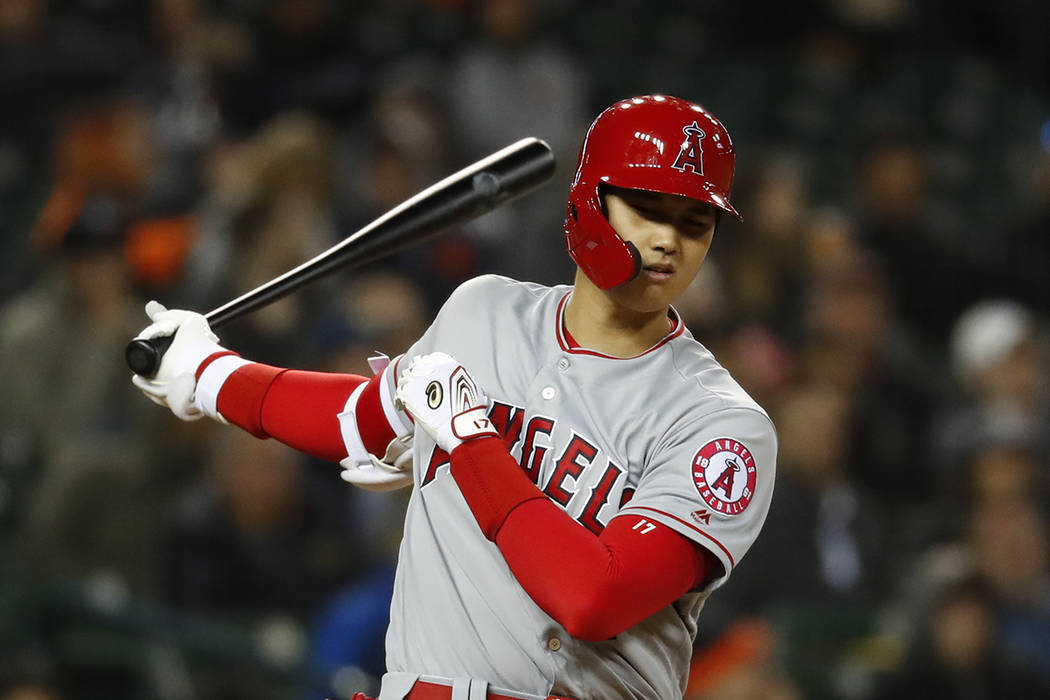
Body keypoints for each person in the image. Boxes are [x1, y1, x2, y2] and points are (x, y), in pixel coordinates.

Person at [130, 95, 777, 700]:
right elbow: (361, 421)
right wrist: (204, 374)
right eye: (649, 209)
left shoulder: (722, 426)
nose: (670, 240)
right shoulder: (484, 312)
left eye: (696, 222)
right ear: (590, 202)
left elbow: (593, 598)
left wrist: (471, 441)